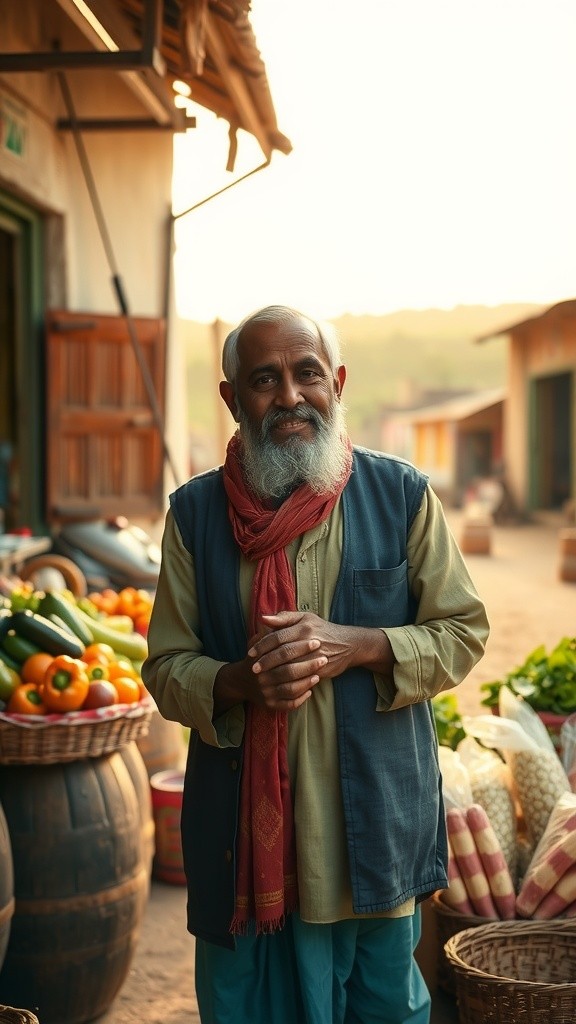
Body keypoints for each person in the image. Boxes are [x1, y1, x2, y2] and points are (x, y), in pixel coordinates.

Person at [142, 305, 489, 1024]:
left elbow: (463, 631)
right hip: (243, 854)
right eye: (264, 380)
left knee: (384, 1009)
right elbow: (167, 667)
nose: (291, 396)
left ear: (337, 384)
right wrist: (239, 681)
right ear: (232, 398)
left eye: (307, 374)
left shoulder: (401, 496)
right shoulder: (196, 515)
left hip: (373, 840)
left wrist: (357, 644)